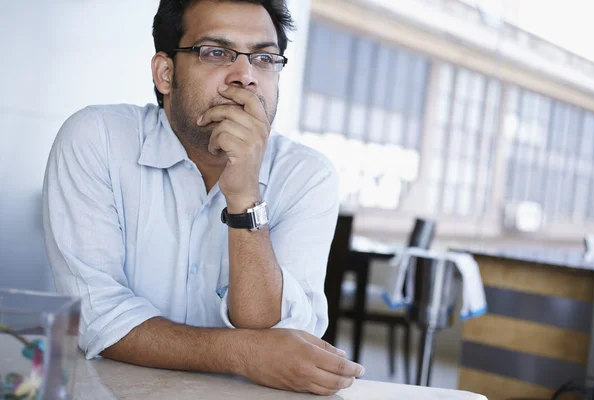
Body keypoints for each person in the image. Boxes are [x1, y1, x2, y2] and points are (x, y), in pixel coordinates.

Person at [42, 0, 365, 395]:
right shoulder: (98, 139)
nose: (245, 76)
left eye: (264, 58)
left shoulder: (306, 174)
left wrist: (245, 196)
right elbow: (97, 318)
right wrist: (241, 354)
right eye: (216, 52)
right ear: (165, 73)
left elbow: (283, 338)